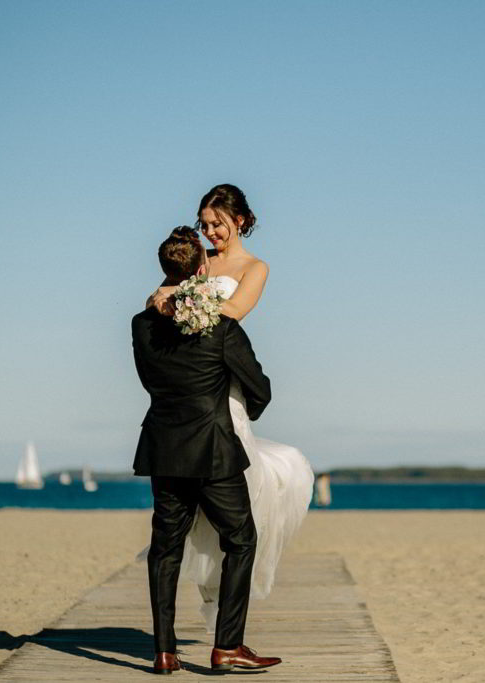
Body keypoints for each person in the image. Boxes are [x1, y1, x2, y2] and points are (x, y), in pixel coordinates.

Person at [149, 185, 314, 631]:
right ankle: (217, 617)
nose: (210, 232)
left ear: (239, 220)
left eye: (217, 224)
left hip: (223, 384)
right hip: (188, 386)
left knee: (236, 503)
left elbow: (233, 312)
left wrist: (186, 304)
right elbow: (155, 299)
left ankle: (227, 616)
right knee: (194, 512)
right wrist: (164, 299)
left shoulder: (254, 268)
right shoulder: (194, 259)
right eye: (204, 224)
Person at [132, 230, 281, 673]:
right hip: (215, 449)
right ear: (202, 270)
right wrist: (240, 410)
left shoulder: (141, 324)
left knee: (165, 548)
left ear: (164, 270)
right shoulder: (221, 326)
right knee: (241, 539)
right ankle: (227, 646)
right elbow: (260, 389)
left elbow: (149, 380)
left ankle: (164, 651)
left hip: (164, 447)